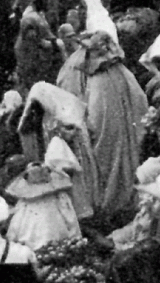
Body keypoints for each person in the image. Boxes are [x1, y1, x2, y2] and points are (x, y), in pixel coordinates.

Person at [58, 30, 148, 221]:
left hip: (106, 137)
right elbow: (141, 103)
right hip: (124, 134)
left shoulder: (93, 78)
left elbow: (94, 120)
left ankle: (108, 209)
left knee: (106, 171)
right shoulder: (121, 72)